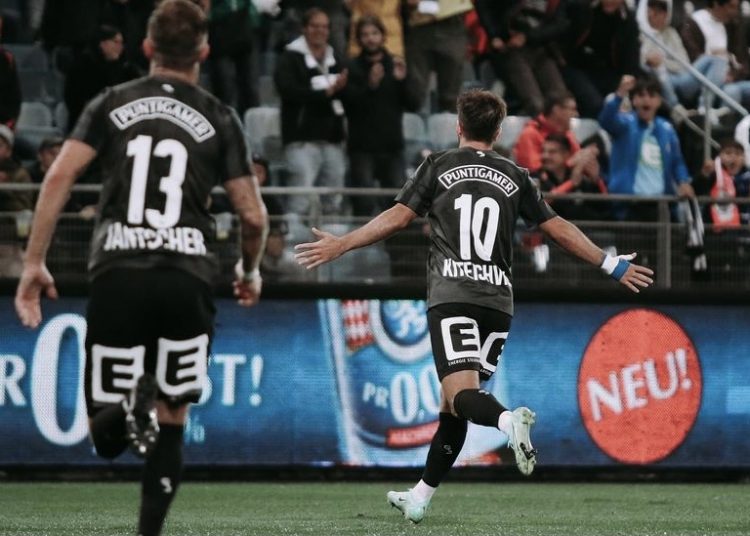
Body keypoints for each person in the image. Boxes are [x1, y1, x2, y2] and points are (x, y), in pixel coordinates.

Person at [294, 89, 653, 524]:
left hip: (454, 296)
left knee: (462, 395)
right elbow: (556, 227)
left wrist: (343, 244)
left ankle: (507, 422)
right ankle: (420, 496)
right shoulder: (516, 175)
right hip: (498, 303)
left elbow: (399, 216)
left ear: (458, 126)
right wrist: (609, 263)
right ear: (499, 131)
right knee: (454, 404)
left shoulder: (438, 165)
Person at [14, 3, 269, 536]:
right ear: (205, 52)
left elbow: (58, 177)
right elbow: (252, 215)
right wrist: (249, 271)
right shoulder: (221, 116)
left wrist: (34, 261)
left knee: (105, 440)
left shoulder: (111, 101)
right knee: (173, 419)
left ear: (147, 48)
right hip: (187, 277)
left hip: (119, 273)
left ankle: (131, 403)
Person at [343, 14, 421, 216]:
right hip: (361, 147)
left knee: (395, 205)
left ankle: (395, 239)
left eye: (374, 33)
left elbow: (414, 104)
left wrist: (402, 81)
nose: (370, 38)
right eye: (365, 34)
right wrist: (370, 85)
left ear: (383, 36)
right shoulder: (352, 67)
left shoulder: (396, 65)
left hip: (392, 146)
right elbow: (349, 105)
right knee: (364, 203)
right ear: (359, 39)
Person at [274, 7, 348, 216]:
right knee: (300, 200)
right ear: (304, 28)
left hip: (332, 140)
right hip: (301, 140)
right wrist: (325, 93)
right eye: (315, 26)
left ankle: (332, 238)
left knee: (333, 201)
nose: (320, 31)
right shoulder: (289, 57)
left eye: (324, 27)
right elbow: (287, 90)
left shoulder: (336, 58)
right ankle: (293, 237)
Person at [598, 75, 694, 221]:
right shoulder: (625, 124)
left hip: (661, 205)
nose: (646, 100)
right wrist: (620, 94)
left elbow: (677, 161)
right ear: (634, 100)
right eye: (641, 95)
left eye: (652, 95)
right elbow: (606, 121)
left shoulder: (667, 129)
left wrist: (683, 181)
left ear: (659, 101)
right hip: (629, 206)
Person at [63, 24, 141, 132]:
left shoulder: (126, 69)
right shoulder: (81, 67)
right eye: (116, 42)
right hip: (85, 126)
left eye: (121, 43)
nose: (120, 47)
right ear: (103, 44)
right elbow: (73, 100)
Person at [512, 91, 582, 173]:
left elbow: (579, 160)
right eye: (572, 109)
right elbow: (533, 171)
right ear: (556, 110)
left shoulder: (568, 134)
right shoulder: (529, 134)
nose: (576, 114)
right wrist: (572, 164)